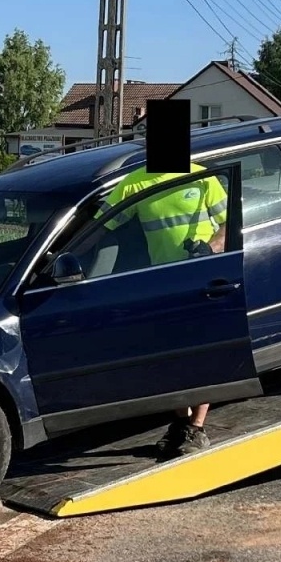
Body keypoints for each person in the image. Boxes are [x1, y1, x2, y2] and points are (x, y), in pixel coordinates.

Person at [98, 162, 229, 460]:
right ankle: (182, 422)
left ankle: (197, 427)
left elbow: (230, 222)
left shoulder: (202, 177)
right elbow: (102, 224)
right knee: (171, 357)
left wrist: (210, 247)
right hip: (163, 282)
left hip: (202, 275)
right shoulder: (134, 183)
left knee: (200, 353)